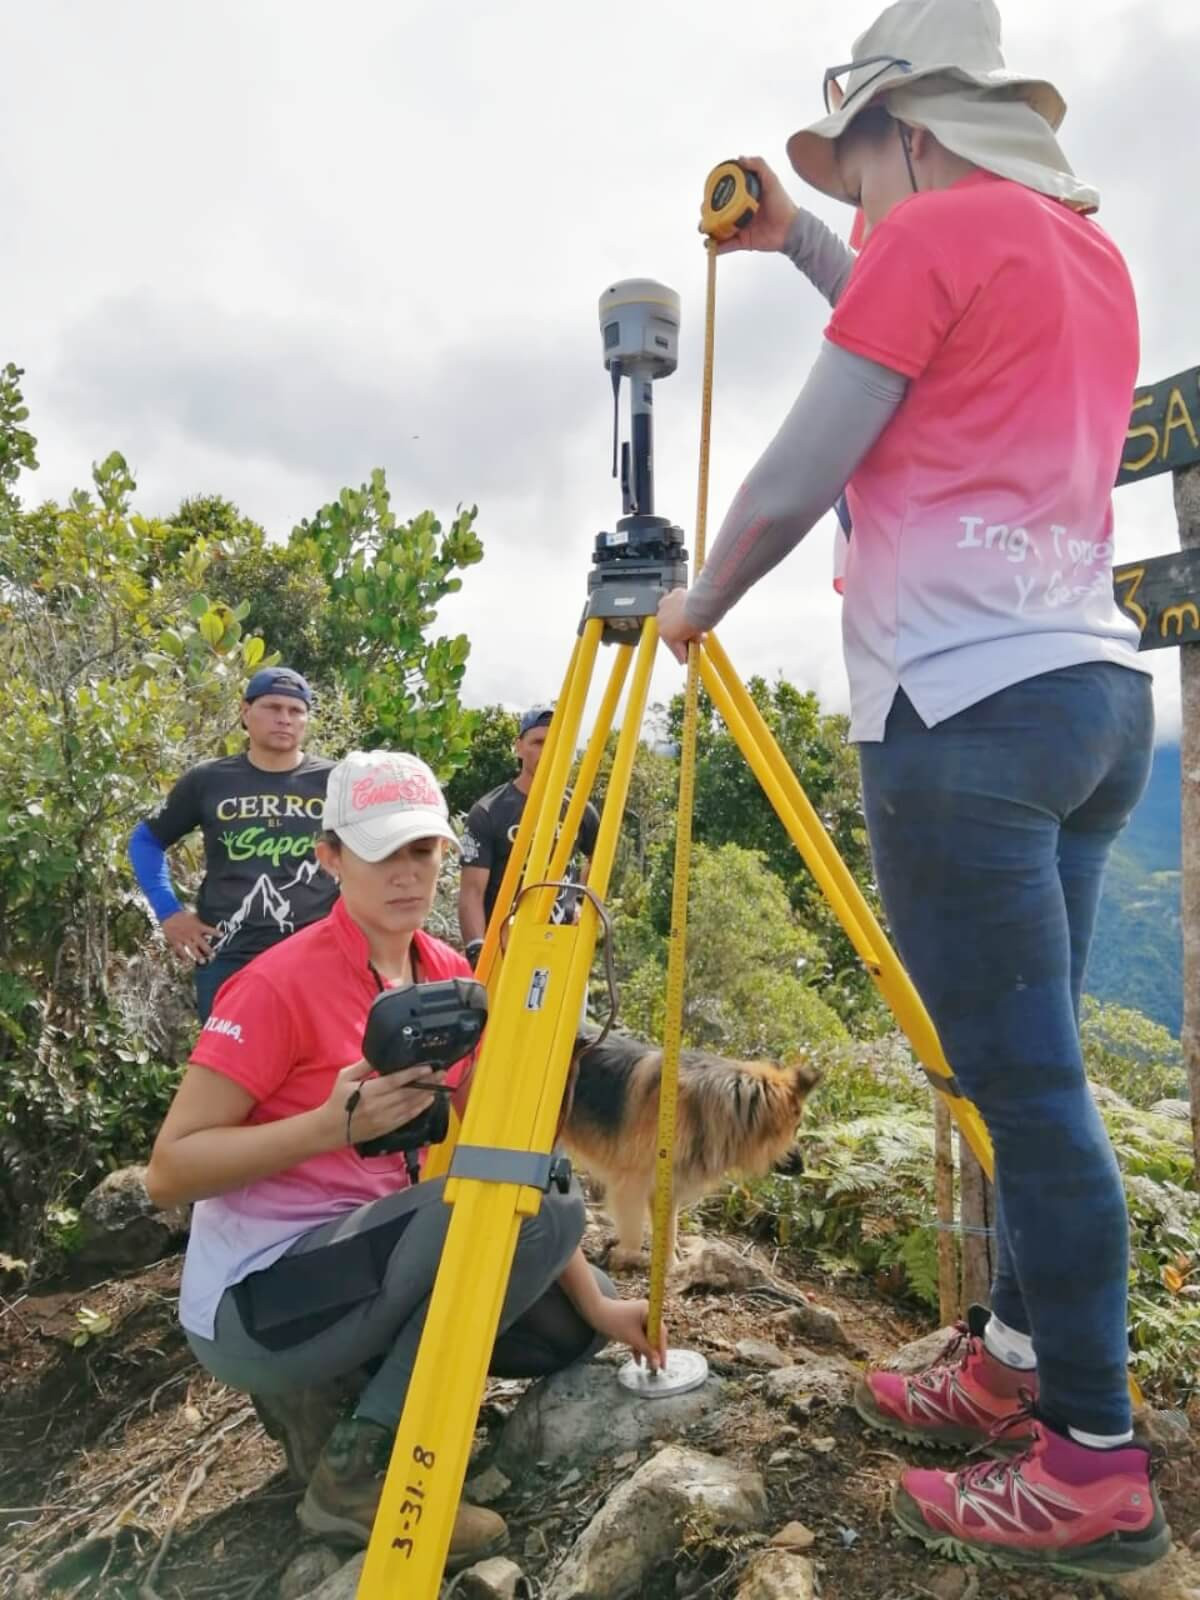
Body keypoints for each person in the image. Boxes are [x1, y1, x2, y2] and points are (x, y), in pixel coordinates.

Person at [658, 0, 1168, 1578]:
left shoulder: (934, 242)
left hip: (960, 714)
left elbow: (806, 464)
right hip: (1094, 699)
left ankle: (1089, 1458)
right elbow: (911, 306)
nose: (859, 201)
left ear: (915, 133)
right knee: (1031, 1070)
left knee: (1025, 1092)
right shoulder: (1085, 256)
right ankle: (1017, 1354)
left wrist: (692, 607)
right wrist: (806, 230)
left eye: (861, 165)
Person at [146, 749, 663, 1571]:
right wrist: (328, 1128)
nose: (407, 874)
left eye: (423, 851)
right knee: (553, 1204)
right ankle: (360, 1473)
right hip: (261, 1301)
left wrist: (598, 1306)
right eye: (381, 852)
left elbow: (506, 1150)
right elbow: (168, 1172)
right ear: (331, 857)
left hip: (367, 1261)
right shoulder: (276, 985)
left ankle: (365, 1393)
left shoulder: (450, 976)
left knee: (562, 1331)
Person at [128, 667, 336, 1021]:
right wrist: (169, 913)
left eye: (295, 710)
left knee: (319, 1068)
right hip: (228, 955)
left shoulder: (336, 781)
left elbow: (377, 854)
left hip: (318, 953)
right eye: (272, 707)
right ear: (245, 712)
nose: (284, 719)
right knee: (227, 1068)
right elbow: (146, 840)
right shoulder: (209, 780)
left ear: (306, 719)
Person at [458, 705, 601, 965]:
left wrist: (579, 900)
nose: (547, 751)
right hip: (505, 951)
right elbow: (471, 892)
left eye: (557, 742)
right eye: (538, 742)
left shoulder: (578, 808)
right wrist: (478, 952)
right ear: (519, 747)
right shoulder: (489, 811)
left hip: (562, 949)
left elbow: (600, 859)